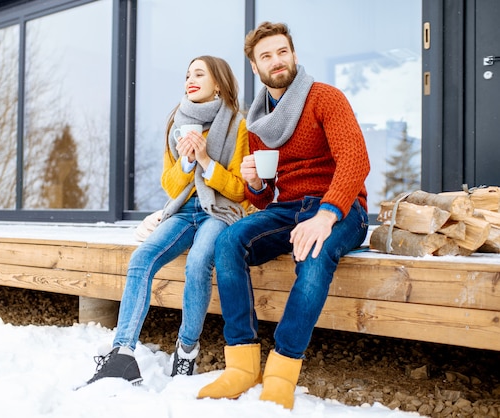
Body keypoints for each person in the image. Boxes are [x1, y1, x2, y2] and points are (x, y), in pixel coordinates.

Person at [197, 22, 370, 410]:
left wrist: (326, 215)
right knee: (229, 242)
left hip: (341, 208)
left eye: (282, 52)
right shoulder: (258, 122)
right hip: (288, 208)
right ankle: (241, 362)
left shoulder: (326, 98)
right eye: (266, 56)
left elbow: (355, 161)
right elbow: (266, 198)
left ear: (293, 55)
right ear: (256, 68)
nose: (276, 61)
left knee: (313, 251)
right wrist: (256, 184)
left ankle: (282, 371)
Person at [86, 55, 250, 385]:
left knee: (198, 262)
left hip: (219, 213)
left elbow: (240, 190)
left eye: (199, 73)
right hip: (184, 211)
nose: (190, 78)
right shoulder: (177, 122)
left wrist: (205, 160)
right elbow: (169, 184)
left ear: (217, 82)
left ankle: (186, 351)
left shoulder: (238, 125)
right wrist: (187, 163)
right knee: (141, 258)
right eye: (188, 73)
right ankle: (122, 354)